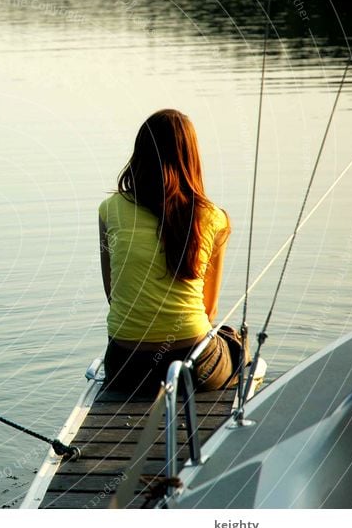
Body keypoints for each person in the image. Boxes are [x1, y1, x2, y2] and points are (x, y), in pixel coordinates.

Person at [98, 109, 247, 395]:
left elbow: (113, 294)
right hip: (193, 364)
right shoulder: (214, 218)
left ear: (139, 155)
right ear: (191, 157)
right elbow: (209, 309)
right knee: (236, 345)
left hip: (125, 367)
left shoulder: (109, 211)